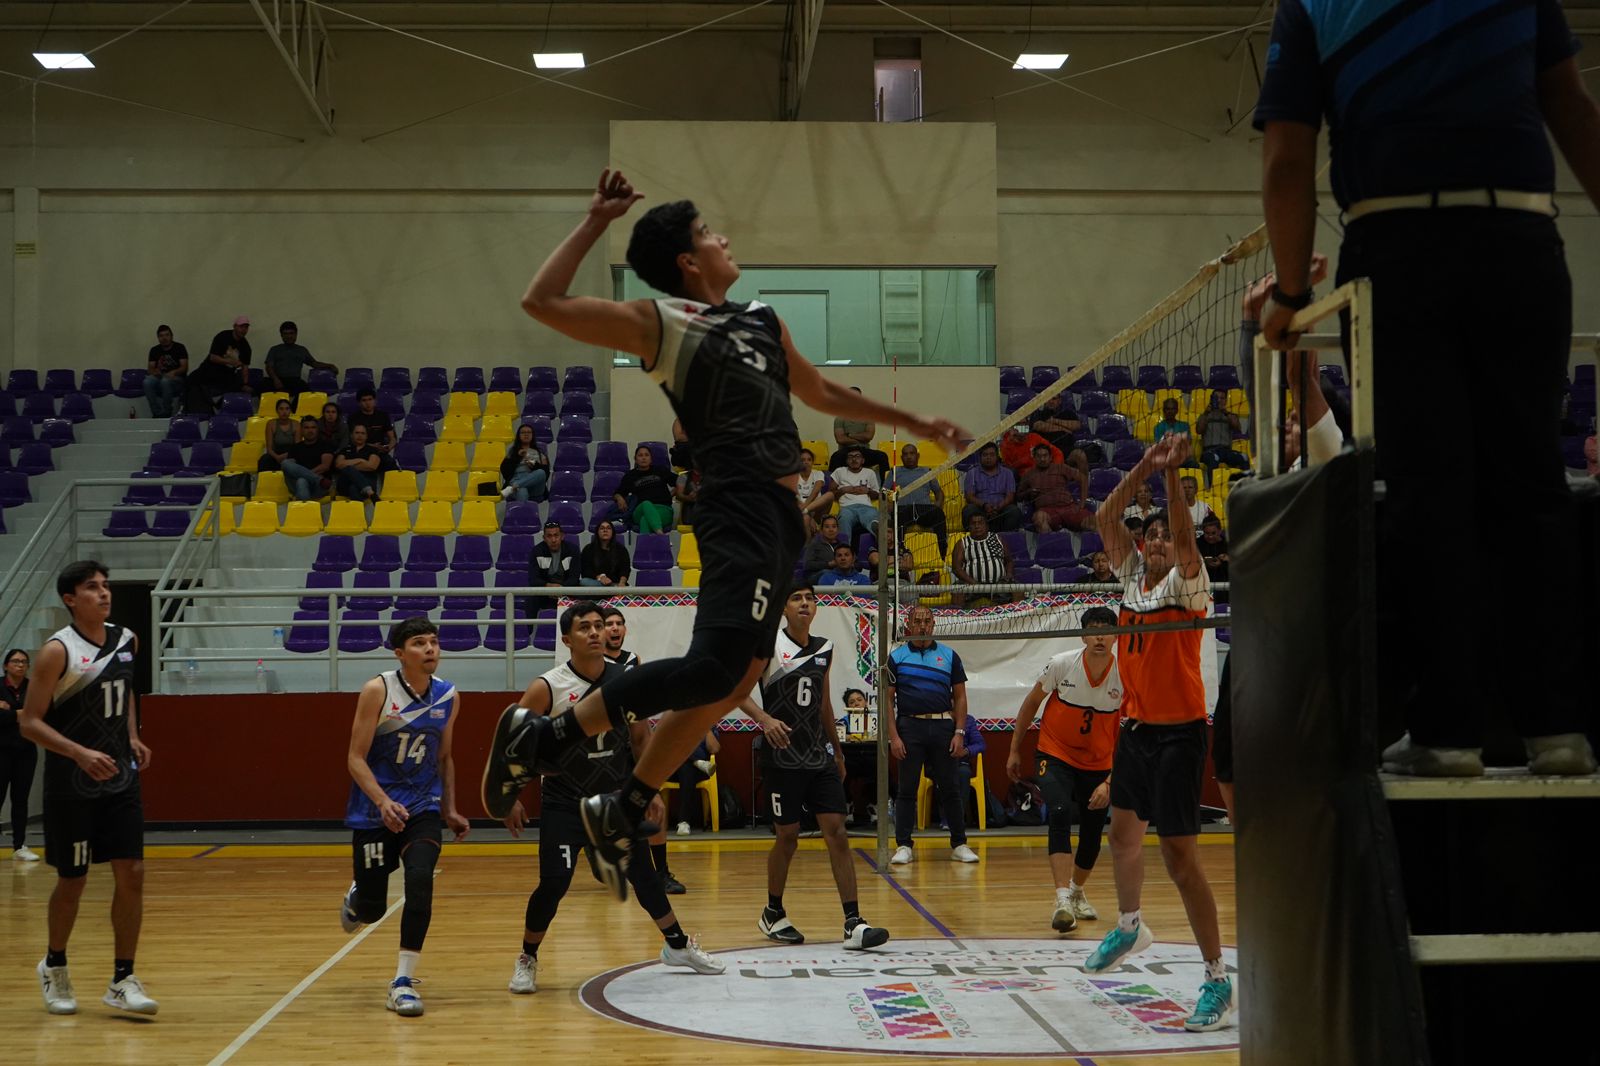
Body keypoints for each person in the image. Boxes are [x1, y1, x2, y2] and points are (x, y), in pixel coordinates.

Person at [481, 170, 965, 903]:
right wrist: (592, 223)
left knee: (739, 676)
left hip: (781, 519)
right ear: (687, 261)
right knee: (715, 669)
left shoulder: (763, 319)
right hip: (736, 504)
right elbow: (539, 302)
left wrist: (915, 424)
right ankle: (546, 739)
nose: (725, 239)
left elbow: (821, 392)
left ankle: (625, 801)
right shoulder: (664, 324)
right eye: (711, 234)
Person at [1256, 0, 1600, 777]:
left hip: (1396, 254)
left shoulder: (1313, 6)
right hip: (1522, 244)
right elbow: (1573, 110)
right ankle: (1559, 732)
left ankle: (1448, 734)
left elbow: (1286, 161)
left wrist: (1285, 295)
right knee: (1534, 486)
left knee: (1428, 496)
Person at [500, 603, 724, 996]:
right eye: (584, 627)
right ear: (567, 639)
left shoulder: (627, 680)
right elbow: (515, 743)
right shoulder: (547, 686)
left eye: (600, 626)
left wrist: (649, 788)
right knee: (554, 884)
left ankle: (676, 945)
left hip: (614, 800)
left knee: (644, 876)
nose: (594, 632)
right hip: (564, 802)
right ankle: (527, 957)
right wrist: (511, 795)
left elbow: (640, 739)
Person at [1085, 435, 1231, 1034]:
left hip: (1180, 735)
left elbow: (1189, 540)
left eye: (1163, 536)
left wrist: (1171, 478)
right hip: (1138, 730)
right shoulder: (1131, 585)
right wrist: (1144, 463)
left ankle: (1217, 977)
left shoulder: (1187, 586)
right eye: (1149, 536)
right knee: (1122, 834)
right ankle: (1129, 926)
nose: (1155, 541)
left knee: (1179, 859)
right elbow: (1102, 516)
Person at [19, 561, 157, 1016]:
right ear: (70, 599)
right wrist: (78, 752)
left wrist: (132, 734)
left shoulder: (126, 640)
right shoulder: (57, 652)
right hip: (71, 784)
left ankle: (123, 978)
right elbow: (29, 722)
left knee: (132, 873)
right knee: (73, 881)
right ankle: (54, 964)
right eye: (91, 588)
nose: (103, 594)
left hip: (120, 778)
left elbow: (127, 692)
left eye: (105, 586)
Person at [741, 585, 890, 949]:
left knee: (837, 833)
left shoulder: (824, 647)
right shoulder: (768, 646)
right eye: (796, 598)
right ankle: (773, 911)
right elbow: (736, 691)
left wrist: (837, 752)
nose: (804, 603)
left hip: (817, 756)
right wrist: (763, 719)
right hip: (781, 756)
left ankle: (853, 922)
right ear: (783, 608)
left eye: (809, 598)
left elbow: (823, 701)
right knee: (787, 837)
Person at [338, 616, 469, 1017]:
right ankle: (358, 896)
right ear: (400, 653)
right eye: (419, 643)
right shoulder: (378, 689)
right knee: (373, 910)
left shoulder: (449, 696)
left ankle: (402, 981)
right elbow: (355, 758)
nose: (430, 649)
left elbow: (444, 757)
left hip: (422, 806)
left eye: (433, 642)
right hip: (374, 809)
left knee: (419, 880)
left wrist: (449, 807)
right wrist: (381, 802)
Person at [1006, 606, 1122, 934]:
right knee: (1058, 810)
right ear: (1084, 636)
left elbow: (1133, 732)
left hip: (1099, 762)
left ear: (1115, 636)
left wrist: (1110, 781)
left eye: (1107, 630)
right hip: (1055, 752)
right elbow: (1031, 704)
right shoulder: (1062, 664)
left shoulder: (1127, 674)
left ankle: (1077, 890)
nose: (1100, 636)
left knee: (1091, 833)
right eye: (1094, 630)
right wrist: (1015, 749)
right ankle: (1061, 901)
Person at [887, 605, 979, 865]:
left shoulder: (950, 656)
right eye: (918, 621)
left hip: (942, 727)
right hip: (909, 727)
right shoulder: (897, 656)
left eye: (927, 621)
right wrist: (894, 736)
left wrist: (959, 732)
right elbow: (887, 700)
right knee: (907, 789)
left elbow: (960, 697)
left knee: (950, 788)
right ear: (909, 624)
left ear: (934, 624)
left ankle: (959, 843)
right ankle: (904, 845)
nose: (923, 626)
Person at [599, 607, 682, 894]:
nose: (615, 628)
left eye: (619, 623)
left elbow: (641, 712)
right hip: (600, 752)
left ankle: (662, 872)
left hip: (627, 745)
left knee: (652, 804)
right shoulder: (593, 663)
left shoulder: (633, 661)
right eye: (609, 623)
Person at [0, 648, 40, 862]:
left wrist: (8, 712)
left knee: (20, 799)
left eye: (24, 661)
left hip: (25, 750)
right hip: (1, 750)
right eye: (15, 661)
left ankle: (19, 845)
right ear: (6, 665)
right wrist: (19, 713)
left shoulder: (33, 687)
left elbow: (37, 714)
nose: (20, 665)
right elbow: (24, 714)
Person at [885, 443, 947, 557]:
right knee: (897, 516)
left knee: (939, 514)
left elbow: (939, 492)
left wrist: (937, 506)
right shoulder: (894, 472)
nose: (909, 457)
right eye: (905, 454)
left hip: (923, 509)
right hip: (903, 509)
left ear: (917, 456)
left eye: (912, 453)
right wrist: (888, 505)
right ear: (901, 457)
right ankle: (899, 554)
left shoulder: (927, 471)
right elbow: (884, 492)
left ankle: (943, 553)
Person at [1019, 444, 1096, 534]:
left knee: (1093, 521)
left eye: (1045, 456)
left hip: (1069, 507)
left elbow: (1083, 478)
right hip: (1046, 510)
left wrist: (1082, 504)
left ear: (1050, 457)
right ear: (1034, 458)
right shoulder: (1028, 474)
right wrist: (1029, 492)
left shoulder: (1061, 467)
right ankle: (1053, 546)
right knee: (1039, 519)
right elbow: (1019, 496)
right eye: (1039, 456)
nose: (1042, 459)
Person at [186, 315, 251, 413]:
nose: (244, 330)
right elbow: (213, 357)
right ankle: (185, 408)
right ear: (234, 326)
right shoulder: (223, 337)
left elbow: (245, 367)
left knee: (237, 387)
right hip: (209, 369)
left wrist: (245, 384)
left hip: (227, 374)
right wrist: (230, 361)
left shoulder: (246, 347)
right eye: (241, 327)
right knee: (190, 381)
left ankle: (217, 406)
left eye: (246, 327)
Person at [949, 511, 1013, 606]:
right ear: (969, 527)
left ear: (987, 525)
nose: (977, 526)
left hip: (998, 585)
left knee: (1017, 587)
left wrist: (1008, 575)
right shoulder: (962, 543)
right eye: (973, 523)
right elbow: (956, 568)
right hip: (972, 585)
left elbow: (1009, 561)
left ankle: (1018, 618)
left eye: (980, 523)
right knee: (957, 588)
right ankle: (958, 618)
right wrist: (973, 583)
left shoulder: (998, 538)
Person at [263, 321, 336, 400]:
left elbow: (314, 363)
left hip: (295, 381)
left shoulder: (301, 350)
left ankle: (296, 410)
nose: (289, 336)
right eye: (286, 334)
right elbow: (269, 367)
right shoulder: (275, 350)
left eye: (291, 333)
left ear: (296, 334)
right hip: (278, 380)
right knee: (262, 385)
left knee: (307, 393)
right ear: (281, 335)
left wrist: (330, 365)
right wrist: (275, 380)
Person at [613, 446, 676, 534]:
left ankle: (645, 546)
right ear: (635, 459)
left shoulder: (660, 470)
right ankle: (660, 536)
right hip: (639, 510)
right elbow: (618, 492)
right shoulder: (630, 476)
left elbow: (680, 481)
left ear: (651, 459)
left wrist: (671, 494)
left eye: (647, 455)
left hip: (663, 509)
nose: (643, 458)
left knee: (645, 520)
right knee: (646, 504)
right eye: (640, 455)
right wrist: (619, 498)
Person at [828, 387, 891, 475]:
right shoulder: (839, 418)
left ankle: (885, 487)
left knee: (882, 456)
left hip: (863, 450)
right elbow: (840, 439)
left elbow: (869, 436)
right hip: (846, 451)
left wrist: (849, 435)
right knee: (835, 457)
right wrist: (861, 438)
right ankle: (831, 487)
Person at [961, 442, 1022, 531]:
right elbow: (969, 496)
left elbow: (1010, 496)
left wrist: (998, 507)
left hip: (1001, 509)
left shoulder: (1008, 473)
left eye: (992, 455)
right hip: (980, 509)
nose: (988, 457)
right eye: (985, 455)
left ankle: (1008, 540)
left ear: (997, 457)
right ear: (980, 457)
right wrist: (984, 505)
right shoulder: (972, 473)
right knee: (969, 510)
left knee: (1013, 511)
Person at [830, 447, 881, 553]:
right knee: (844, 519)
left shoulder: (869, 472)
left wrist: (867, 491)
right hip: (847, 508)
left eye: (857, 456)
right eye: (850, 457)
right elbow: (831, 494)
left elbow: (877, 494)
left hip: (866, 507)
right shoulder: (839, 472)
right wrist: (843, 490)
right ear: (846, 461)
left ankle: (880, 547)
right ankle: (844, 552)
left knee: (873, 521)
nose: (854, 459)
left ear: (863, 460)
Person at [1194, 392, 1248, 483]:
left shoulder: (1230, 415)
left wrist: (1225, 412)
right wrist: (1206, 413)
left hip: (1226, 451)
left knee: (1244, 457)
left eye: (1222, 398)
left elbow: (1237, 428)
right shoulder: (1205, 415)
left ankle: (1245, 486)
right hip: (1209, 451)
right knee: (1213, 458)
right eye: (1216, 398)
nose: (1219, 400)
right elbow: (1199, 430)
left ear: (1226, 401)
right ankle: (1213, 489)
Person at [281, 416, 333, 502]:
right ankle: (318, 480)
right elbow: (290, 468)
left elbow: (325, 466)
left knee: (302, 480)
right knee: (285, 463)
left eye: (313, 427)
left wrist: (304, 475)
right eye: (306, 427)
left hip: (318, 487)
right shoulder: (295, 447)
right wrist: (311, 476)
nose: (310, 431)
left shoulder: (325, 445)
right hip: (304, 483)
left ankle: (305, 511)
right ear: (301, 430)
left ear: (317, 429)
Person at [143, 325, 188, 418]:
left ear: (171, 336)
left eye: (167, 335)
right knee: (147, 382)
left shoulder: (180, 347)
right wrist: (155, 372)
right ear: (158, 338)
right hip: (160, 377)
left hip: (177, 379)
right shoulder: (154, 350)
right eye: (161, 336)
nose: (164, 338)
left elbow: (184, 367)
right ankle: (157, 413)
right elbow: (150, 368)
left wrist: (174, 372)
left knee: (165, 381)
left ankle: (167, 412)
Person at [499, 423, 550, 502]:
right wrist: (516, 457)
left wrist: (535, 466)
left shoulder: (539, 452)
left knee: (541, 472)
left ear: (532, 435)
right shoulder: (513, 452)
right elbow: (504, 471)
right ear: (518, 436)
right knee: (522, 491)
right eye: (523, 432)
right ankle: (523, 514)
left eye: (529, 432)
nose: (526, 434)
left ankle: (513, 487)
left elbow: (546, 473)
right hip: (516, 478)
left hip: (535, 485)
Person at [335, 423, 383, 502]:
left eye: (362, 433)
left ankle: (358, 512)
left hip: (368, 480)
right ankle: (370, 493)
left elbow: (372, 466)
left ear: (366, 436)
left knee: (353, 488)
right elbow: (338, 464)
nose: (360, 435)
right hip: (345, 483)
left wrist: (348, 464)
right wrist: (360, 460)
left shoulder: (372, 450)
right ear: (351, 435)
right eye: (357, 433)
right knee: (349, 470)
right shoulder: (345, 450)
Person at [348, 389, 398, 460]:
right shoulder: (353, 418)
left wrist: (388, 447)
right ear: (359, 403)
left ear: (375, 401)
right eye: (364, 400)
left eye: (370, 399)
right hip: (360, 452)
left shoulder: (383, 416)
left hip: (380, 452)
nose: (368, 403)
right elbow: (352, 440)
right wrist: (372, 446)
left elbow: (393, 438)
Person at [580, 519, 631, 587]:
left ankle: (611, 591)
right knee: (584, 582)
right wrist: (600, 577)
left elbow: (625, 569)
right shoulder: (588, 549)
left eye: (608, 528)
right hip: (597, 584)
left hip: (616, 583)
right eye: (602, 528)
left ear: (613, 532)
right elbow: (585, 571)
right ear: (597, 532)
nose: (605, 530)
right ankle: (610, 592)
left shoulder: (621, 549)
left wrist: (622, 583)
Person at [528, 521, 580, 588]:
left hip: (566, 590)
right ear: (544, 538)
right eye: (549, 536)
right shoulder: (536, 551)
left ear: (562, 536)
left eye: (556, 535)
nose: (553, 540)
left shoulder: (573, 550)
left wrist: (561, 589)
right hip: (544, 591)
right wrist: (548, 586)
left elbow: (574, 578)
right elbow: (533, 579)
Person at [795, 448, 833, 536]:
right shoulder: (794, 476)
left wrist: (806, 510)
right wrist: (808, 515)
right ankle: (807, 547)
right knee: (806, 519)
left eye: (809, 459)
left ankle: (805, 513)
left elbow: (816, 491)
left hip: (816, 510)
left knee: (830, 495)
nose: (806, 462)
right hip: (799, 510)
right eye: (802, 460)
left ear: (812, 462)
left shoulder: (818, 473)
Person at [256, 398, 298, 473]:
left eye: (287, 409)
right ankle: (262, 482)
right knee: (264, 460)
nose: (284, 412)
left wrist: (285, 456)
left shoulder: (296, 424)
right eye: (281, 409)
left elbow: (298, 447)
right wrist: (277, 457)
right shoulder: (271, 424)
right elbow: (269, 449)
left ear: (290, 410)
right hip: (275, 454)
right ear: (277, 411)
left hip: (291, 454)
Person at [802, 514, 844, 584]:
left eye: (834, 526)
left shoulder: (843, 545)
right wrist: (828, 564)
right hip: (817, 576)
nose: (831, 530)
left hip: (840, 574)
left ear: (838, 530)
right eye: (827, 527)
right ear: (821, 530)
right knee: (827, 573)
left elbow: (857, 565)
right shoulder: (814, 545)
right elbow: (807, 564)